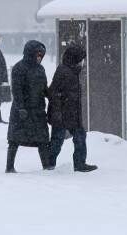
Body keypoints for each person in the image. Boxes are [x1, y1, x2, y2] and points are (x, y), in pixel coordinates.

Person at [47, 44, 97, 172]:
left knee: (58, 139)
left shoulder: (67, 70)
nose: (82, 63)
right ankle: (78, 164)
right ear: (75, 60)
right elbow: (53, 92)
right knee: (76, 136)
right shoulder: (66, 73)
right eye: (81, 60)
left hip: (66, 113)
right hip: (66, 114)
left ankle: (49, 163)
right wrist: (60, 111)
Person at [6, 40, 50, 173]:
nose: (39, 58)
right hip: (23, 110)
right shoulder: (19, 68)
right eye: (38, 55)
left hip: (37, 110)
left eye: (41, 55)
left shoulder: (40, 69)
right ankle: (9, 167)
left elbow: (43, 87)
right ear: (31, 53)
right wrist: (21, 108)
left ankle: (46, 166)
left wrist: (51, 94)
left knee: (42, 140)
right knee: (14, 140)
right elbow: (16, 90)